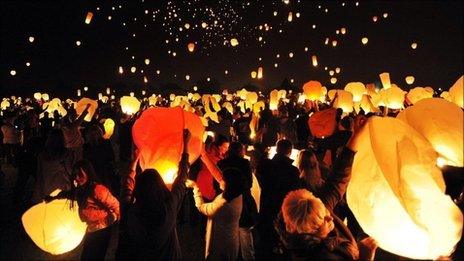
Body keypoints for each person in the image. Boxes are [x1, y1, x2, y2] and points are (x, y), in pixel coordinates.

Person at [274, 115, 379, 260]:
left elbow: (337, 181)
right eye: (323, 218)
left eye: (324, 210)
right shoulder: (317, 256)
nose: (330, 216)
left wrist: (354, 139)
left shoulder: (316, 213)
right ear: (309, 232)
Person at [124, 129, 190, 260]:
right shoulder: (169, 208)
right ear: (160, 186)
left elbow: (126, 187)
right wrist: (186, 144)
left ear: (139, 189)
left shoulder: (131, 211)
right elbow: (182, 177)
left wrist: (134, 162)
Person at [46, 159, 120, 261]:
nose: (76, 178)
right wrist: (53, 198)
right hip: (92, 228)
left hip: (102, 230)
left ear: (88, 173)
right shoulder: (81, 190)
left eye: (80, 174)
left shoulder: (97, 189)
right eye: (75, 175)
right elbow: (70, 194)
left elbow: (116, 205)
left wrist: (114, 220)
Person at [187, 153, 244, 261]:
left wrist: (195, 187)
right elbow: (218, 174)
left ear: (229, 184)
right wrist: (203, 154)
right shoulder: (237, 194)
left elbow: (201, 207)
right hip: (231, 242)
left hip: (220, 246)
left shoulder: (223, 205)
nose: (220, 179)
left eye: (223, 179)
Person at [255, 139, 301, 259]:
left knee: (265, 239)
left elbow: (259, 170)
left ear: (276, 149)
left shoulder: (266, 164)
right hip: (283, 208)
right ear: (290, 152)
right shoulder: (293, 171)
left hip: (266, 205)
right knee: (280, 240)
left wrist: (264, 155)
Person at [217, 142, 258, 260]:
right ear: (241, 151)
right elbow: (249, 184)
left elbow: (218, 183)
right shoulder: (244, 163)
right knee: (245, 231)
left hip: (226, 200)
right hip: (243, 201)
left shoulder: (221, 163)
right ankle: (247, 257)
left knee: (229, 233)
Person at [32, 129, 76, 203]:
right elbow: (70, 170)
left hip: (48, 184)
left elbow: (40, 173)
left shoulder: (42, 154)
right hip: (62, 185)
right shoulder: (67, 153)